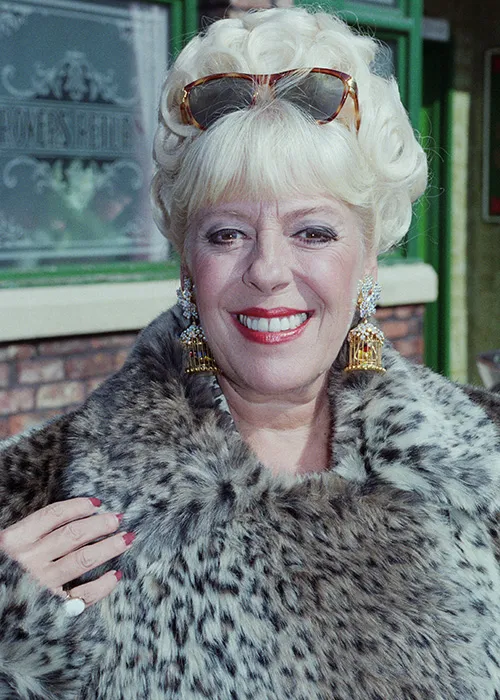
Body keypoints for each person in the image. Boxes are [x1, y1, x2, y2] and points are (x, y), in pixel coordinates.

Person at [1, 7, 500, 699]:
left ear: (368, 259)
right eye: (228, 234)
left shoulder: (484, 463)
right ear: (187, 262)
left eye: (313, 233)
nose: (267, 271)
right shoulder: (31, 500)